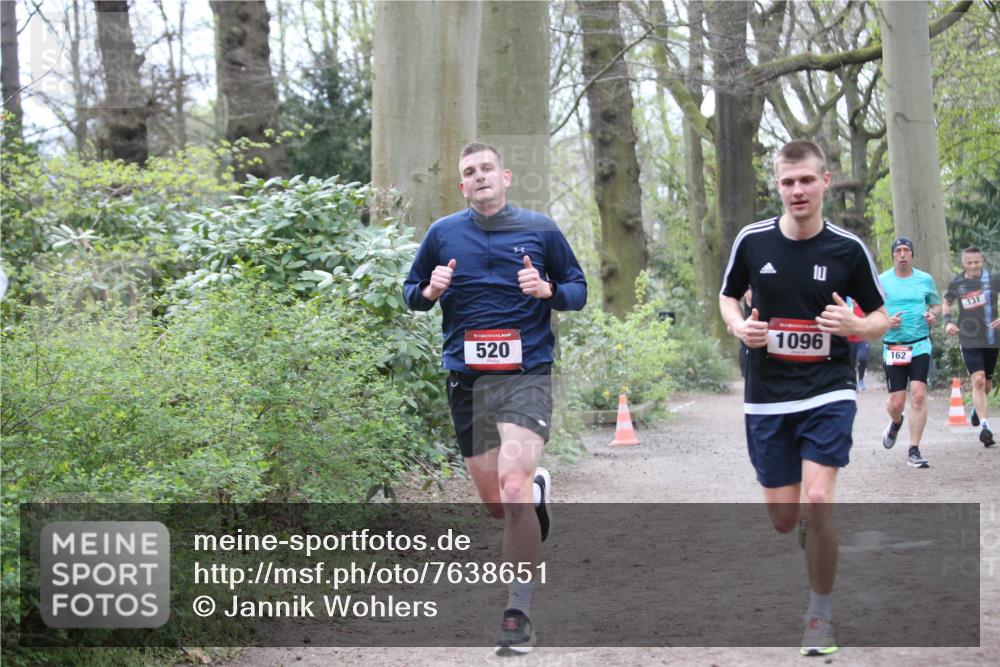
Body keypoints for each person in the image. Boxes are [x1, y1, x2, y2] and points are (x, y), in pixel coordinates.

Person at [403, 142, 587, 653]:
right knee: (494, 503)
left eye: (487, 168)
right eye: (469, 172)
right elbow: (410, 292)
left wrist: (548, 290)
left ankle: (518, 612)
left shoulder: (542, 229)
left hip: (526, 372)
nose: (480, 176)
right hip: (468, 380)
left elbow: (579, 289)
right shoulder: (442, 234)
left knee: (510, 489)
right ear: (462, 185)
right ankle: (535, 492)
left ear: (505, 176)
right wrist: (430, 290)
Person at [719, 139, 888, 657]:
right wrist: (738, 328)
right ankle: (807, 533)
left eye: (806, 180)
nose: (797, 190)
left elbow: (880, 318)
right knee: (784, 518)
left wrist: (857, 325)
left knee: (819, 500)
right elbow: (728, 297)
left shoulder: (847, 248)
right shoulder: (752, 241)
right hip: (767, 393)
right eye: (788, 182)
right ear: (778, 185)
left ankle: (819, 614)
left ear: (825, 182)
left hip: (828, 388)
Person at [878, 238, 941, 467]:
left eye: (906, 250)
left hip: (920, 344)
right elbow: (872, 309)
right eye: (898, 250)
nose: (902, 254)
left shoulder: (924, 279)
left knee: (918, 394)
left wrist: (933, 315)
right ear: (893, 255)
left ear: (912, 255)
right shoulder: (882, 281)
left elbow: (936, 305)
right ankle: (896, 423)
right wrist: (885, 320)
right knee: (896, 404)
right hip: (894, 347)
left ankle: (914, 450)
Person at [943, 246, 1000, 448]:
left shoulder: (993, 278)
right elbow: (947, 303)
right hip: (969, 338)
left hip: (993, 338)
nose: (974, 266)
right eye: (970, 263)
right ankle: (985, 427)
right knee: (977, 380)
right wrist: (948, 322)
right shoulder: (957, 283)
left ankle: (978, 409)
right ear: (963, 263)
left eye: (977, 262)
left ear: (982, 260)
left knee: (986, 384)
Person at [846, 298, 870, 391]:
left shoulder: (863, 307)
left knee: (862, 358)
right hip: (850, 340)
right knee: (851, 363)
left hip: (862, 339)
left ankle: (860, 379)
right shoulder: (847, 308)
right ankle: (853, 382)